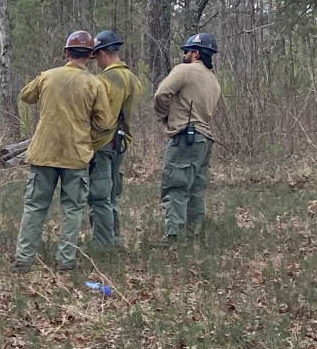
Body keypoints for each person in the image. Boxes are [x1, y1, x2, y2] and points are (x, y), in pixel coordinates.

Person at [14, 30, 111, 273]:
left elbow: (26, 96)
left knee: (35, 207)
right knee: (73, 210)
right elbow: (105, 122)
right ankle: (66, 262)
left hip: (43, 154)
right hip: (76, 156)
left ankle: (24, 260)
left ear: (67, 52)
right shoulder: (94, 84)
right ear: (90, 55)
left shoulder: (48, 76)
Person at [154, 32, 222, 244]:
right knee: (195, 190)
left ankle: (174, 237)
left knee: (175, 186)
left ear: (195, 53)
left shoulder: (184, 70)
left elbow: (161, 94)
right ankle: (193, 237)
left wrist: (164, 117)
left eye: (186, 50)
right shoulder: (213, 81)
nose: (183, 54)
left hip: (185, 136)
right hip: (205, 140)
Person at [86, 30, 144, 249]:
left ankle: (103, 247)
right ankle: (115, 241)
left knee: (100, 197)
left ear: (101, 54)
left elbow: (97, 116)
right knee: (111, 195)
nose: (96, 63)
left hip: (101, 144)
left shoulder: (103, 80)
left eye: (96, 58)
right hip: (120, 142)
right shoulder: (133, 79)